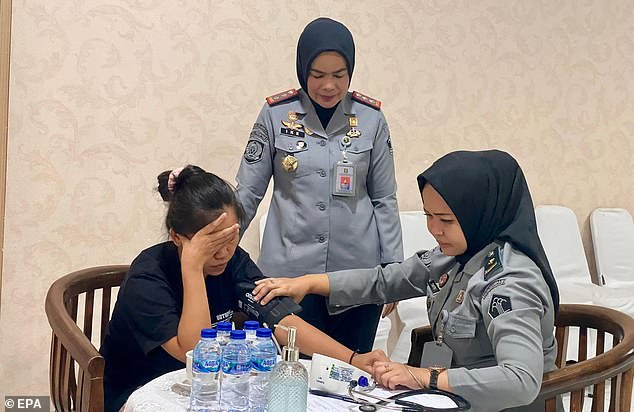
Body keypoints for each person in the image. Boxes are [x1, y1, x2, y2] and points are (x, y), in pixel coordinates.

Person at [252, 150, 562, 411]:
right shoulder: (452, 256)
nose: (434, 230)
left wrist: (422, 377)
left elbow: (520, 380)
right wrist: (308, 282)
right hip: (446, 399)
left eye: (446, 221)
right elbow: (384, 281)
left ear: (481, 215)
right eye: (429, 216)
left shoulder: (510, 282)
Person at [99, 165, 376, 412]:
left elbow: (281, 318)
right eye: (212, 243)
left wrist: (353, 359)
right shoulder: (147, 278)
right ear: (177, 237)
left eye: (230, 238)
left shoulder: (234, 261)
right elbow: (195, 351)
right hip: (139, 393)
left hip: (214, 390)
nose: (224, 254)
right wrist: (193, 267)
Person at [235, 17, 403, 354]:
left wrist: (392, 276)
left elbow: (385, 199)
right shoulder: (275, 115)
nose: (329, 86)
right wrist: (220, 252)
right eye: (318, 75)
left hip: (358, 277)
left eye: (339, 75)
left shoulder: (371, 119)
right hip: (289, 275)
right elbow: (247, 194)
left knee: (352, 378)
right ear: (302, 71)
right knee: (292, 376)